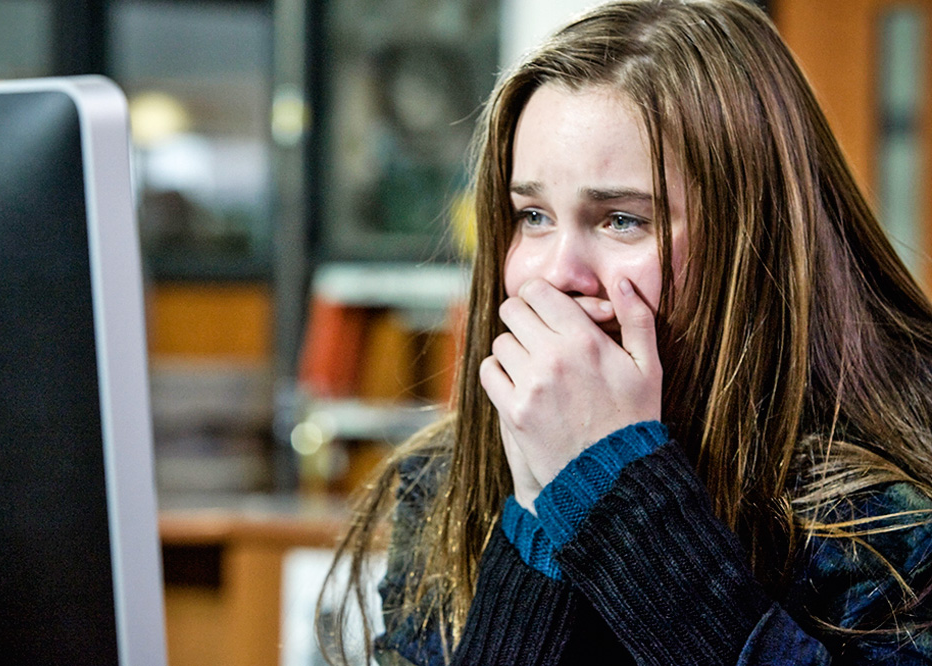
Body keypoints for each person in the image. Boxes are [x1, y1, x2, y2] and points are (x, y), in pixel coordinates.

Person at [317, 0, 932, 663]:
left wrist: (614, 489)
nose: (557, 274)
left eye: (620, 219)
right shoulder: (444, 485)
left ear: (755, 240)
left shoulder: (889, 516)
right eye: (532, 216)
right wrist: (540, 515)